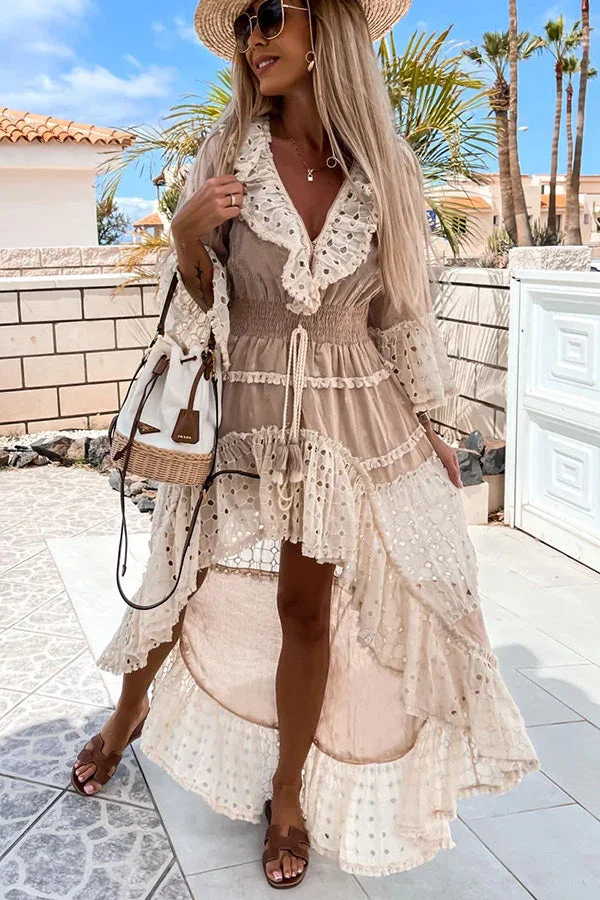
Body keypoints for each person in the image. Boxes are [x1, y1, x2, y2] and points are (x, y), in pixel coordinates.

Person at [73, 0, 539, 887]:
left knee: (307, 610)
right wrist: (186, 235)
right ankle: (125, 717)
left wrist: (433, 425)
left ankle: (287, 792)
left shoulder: (386, 166)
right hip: (244, 404)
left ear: (327, 27)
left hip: (350, 417)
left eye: (271, 14)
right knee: (178, 573)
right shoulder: (227, 150)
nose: (255, 36)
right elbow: (200, 311)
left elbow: (399, 313)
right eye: (246, 22)